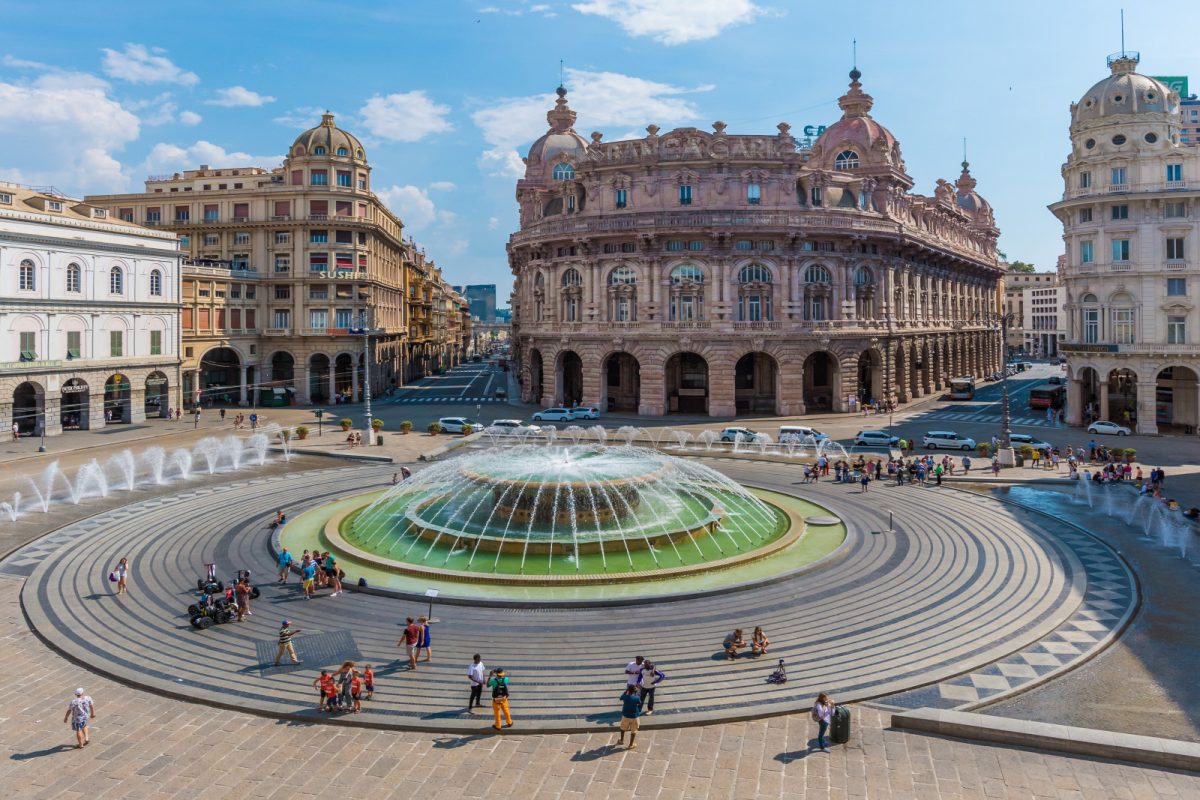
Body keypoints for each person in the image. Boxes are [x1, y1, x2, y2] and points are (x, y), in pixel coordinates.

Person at [616, 684, 642, 750]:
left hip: (626, 716)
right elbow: (639, 703)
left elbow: (620, 698)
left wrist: (626, 691)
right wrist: (636, 694)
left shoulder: (625, 697)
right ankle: (631, 744)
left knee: (622, 728)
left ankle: (621, 740)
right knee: (634, 730)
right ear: (634, 691)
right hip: (634, 716)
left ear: (628, 690)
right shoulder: (637, 697)